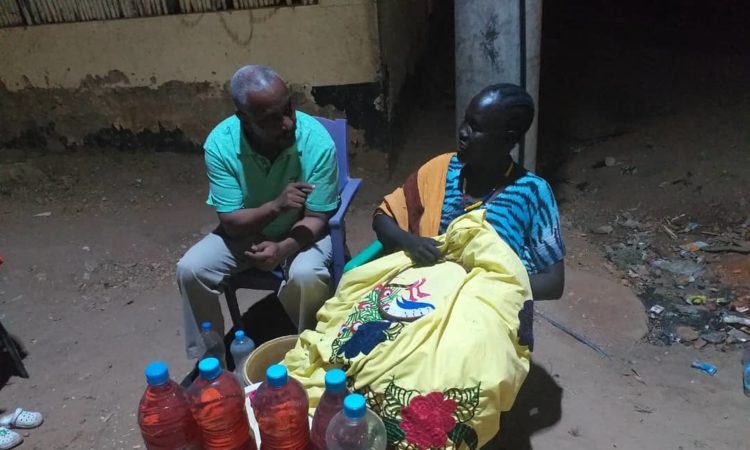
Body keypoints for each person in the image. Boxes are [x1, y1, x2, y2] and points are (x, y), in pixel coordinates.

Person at [177, 65, 340, 359]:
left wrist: (282, 248)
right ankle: (211, 362)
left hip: (300, 232)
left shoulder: (316, 142)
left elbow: (316, 217)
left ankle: (311, 354)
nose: (288, 123)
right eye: (271, 118)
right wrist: (276, 206)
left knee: (306, 274)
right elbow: (231, 223)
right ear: (244, 119)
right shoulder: (221, 144)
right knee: (191, 269)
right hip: (246, 232)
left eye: (288, 109)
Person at [373, 83, 565, 300]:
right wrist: (410, 242)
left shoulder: (533, 192)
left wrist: (480, 289)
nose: (463, 132)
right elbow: (382, 218)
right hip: (423, 296)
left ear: (507, 138)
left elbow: (553, 283)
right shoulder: (441, 170)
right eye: (466, 120)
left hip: (488, 308)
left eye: (476, 127)